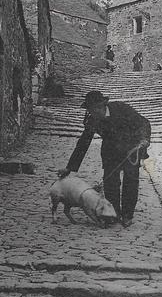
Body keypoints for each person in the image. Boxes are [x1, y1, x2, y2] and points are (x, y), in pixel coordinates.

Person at [58, 91, 151, 228]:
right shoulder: (92, 120)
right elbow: (84, 142)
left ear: (102, 105)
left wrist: (145, 139)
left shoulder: (122, 108)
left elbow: (144, 123)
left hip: (131, 149)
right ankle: (113, 214)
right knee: (110, 184)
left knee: (130, 182)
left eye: (95, 109)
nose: (93, 113)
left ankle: (127, 215)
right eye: (90, 110)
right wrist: (70, 167)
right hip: (110, 152)